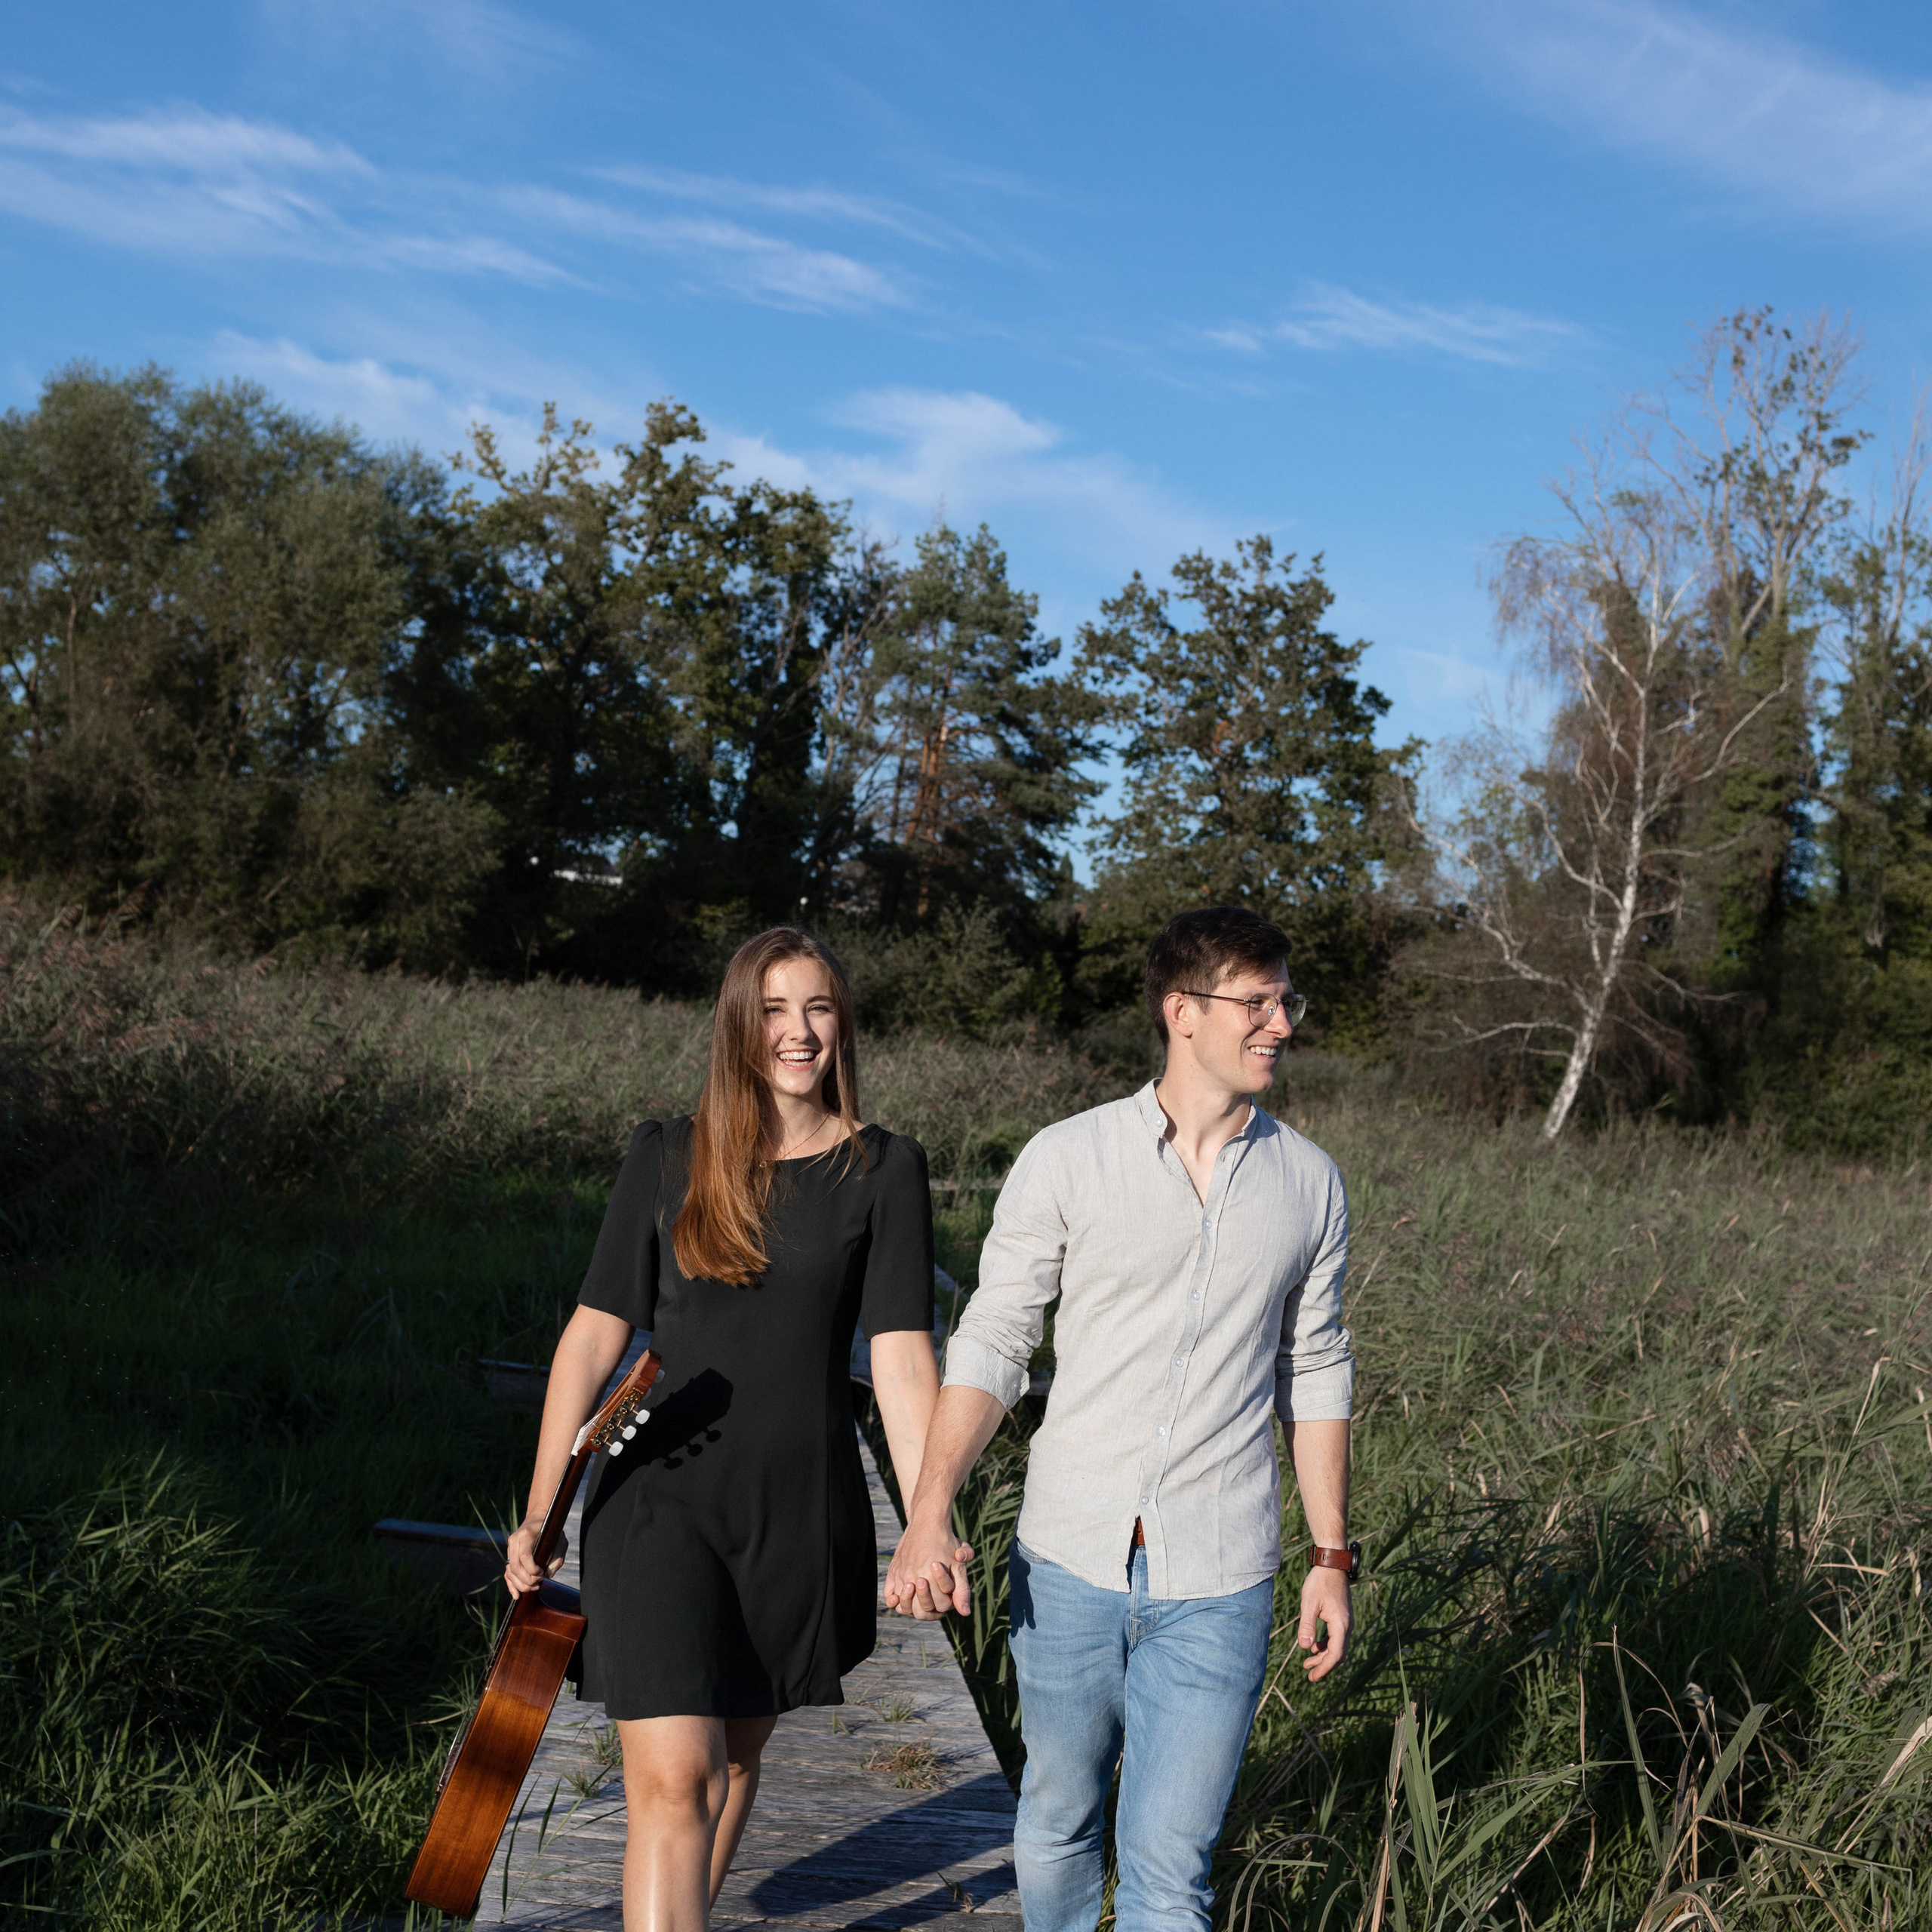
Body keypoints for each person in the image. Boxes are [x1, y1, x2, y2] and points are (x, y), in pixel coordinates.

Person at [884, 906, 1356, 1932]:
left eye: (1288, 1001)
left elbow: (1315, 1368)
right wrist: (928, 1511)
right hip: (1068, 1556)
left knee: (1170, 1870)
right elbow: (994, 1341)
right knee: (1058, 1819)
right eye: (1257, 1002)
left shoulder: (1310, 1184)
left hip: (1222, 1572)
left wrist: (1331, 1555)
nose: (1282, 1024)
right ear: (1182, 1011)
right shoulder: (1069, 1157)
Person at [504, 927, 946, 1932]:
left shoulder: (884, 1170)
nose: (800, 1032)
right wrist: (540, 1510)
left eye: (819, 1008)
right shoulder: (667, 1154)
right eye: (775, 1010)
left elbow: (901, 1359)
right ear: (739, 1026)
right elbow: (591, 1336)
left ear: (843, 1023)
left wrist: (929, 1519)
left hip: (798, 1508)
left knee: (734, 1766)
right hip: (656, 1495)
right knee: (676, 1781)